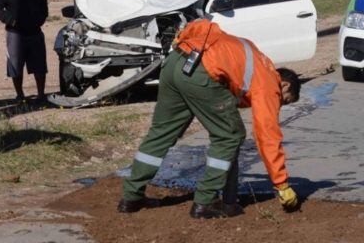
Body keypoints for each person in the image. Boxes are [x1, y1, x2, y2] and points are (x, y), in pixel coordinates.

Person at [118, 19, 301, 219]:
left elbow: (203, 26)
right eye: (285, 101)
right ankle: (205, 201)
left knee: (161, 132)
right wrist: (281, 184)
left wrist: (182, 39)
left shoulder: (251, 56)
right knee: (230, 136)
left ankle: (131, 196)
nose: (279, 105)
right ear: (284, 85)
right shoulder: (269, 81)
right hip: (200, 71)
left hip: (175, 62)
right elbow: (267, 135)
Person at [0, 0, 49, 102]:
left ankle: (41, 94)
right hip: (15, 33)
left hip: (35, 31)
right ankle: (20, 95)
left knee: (39, 65)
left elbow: (43, 3)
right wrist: (9, 20)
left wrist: (42, 18)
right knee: (15, 65)